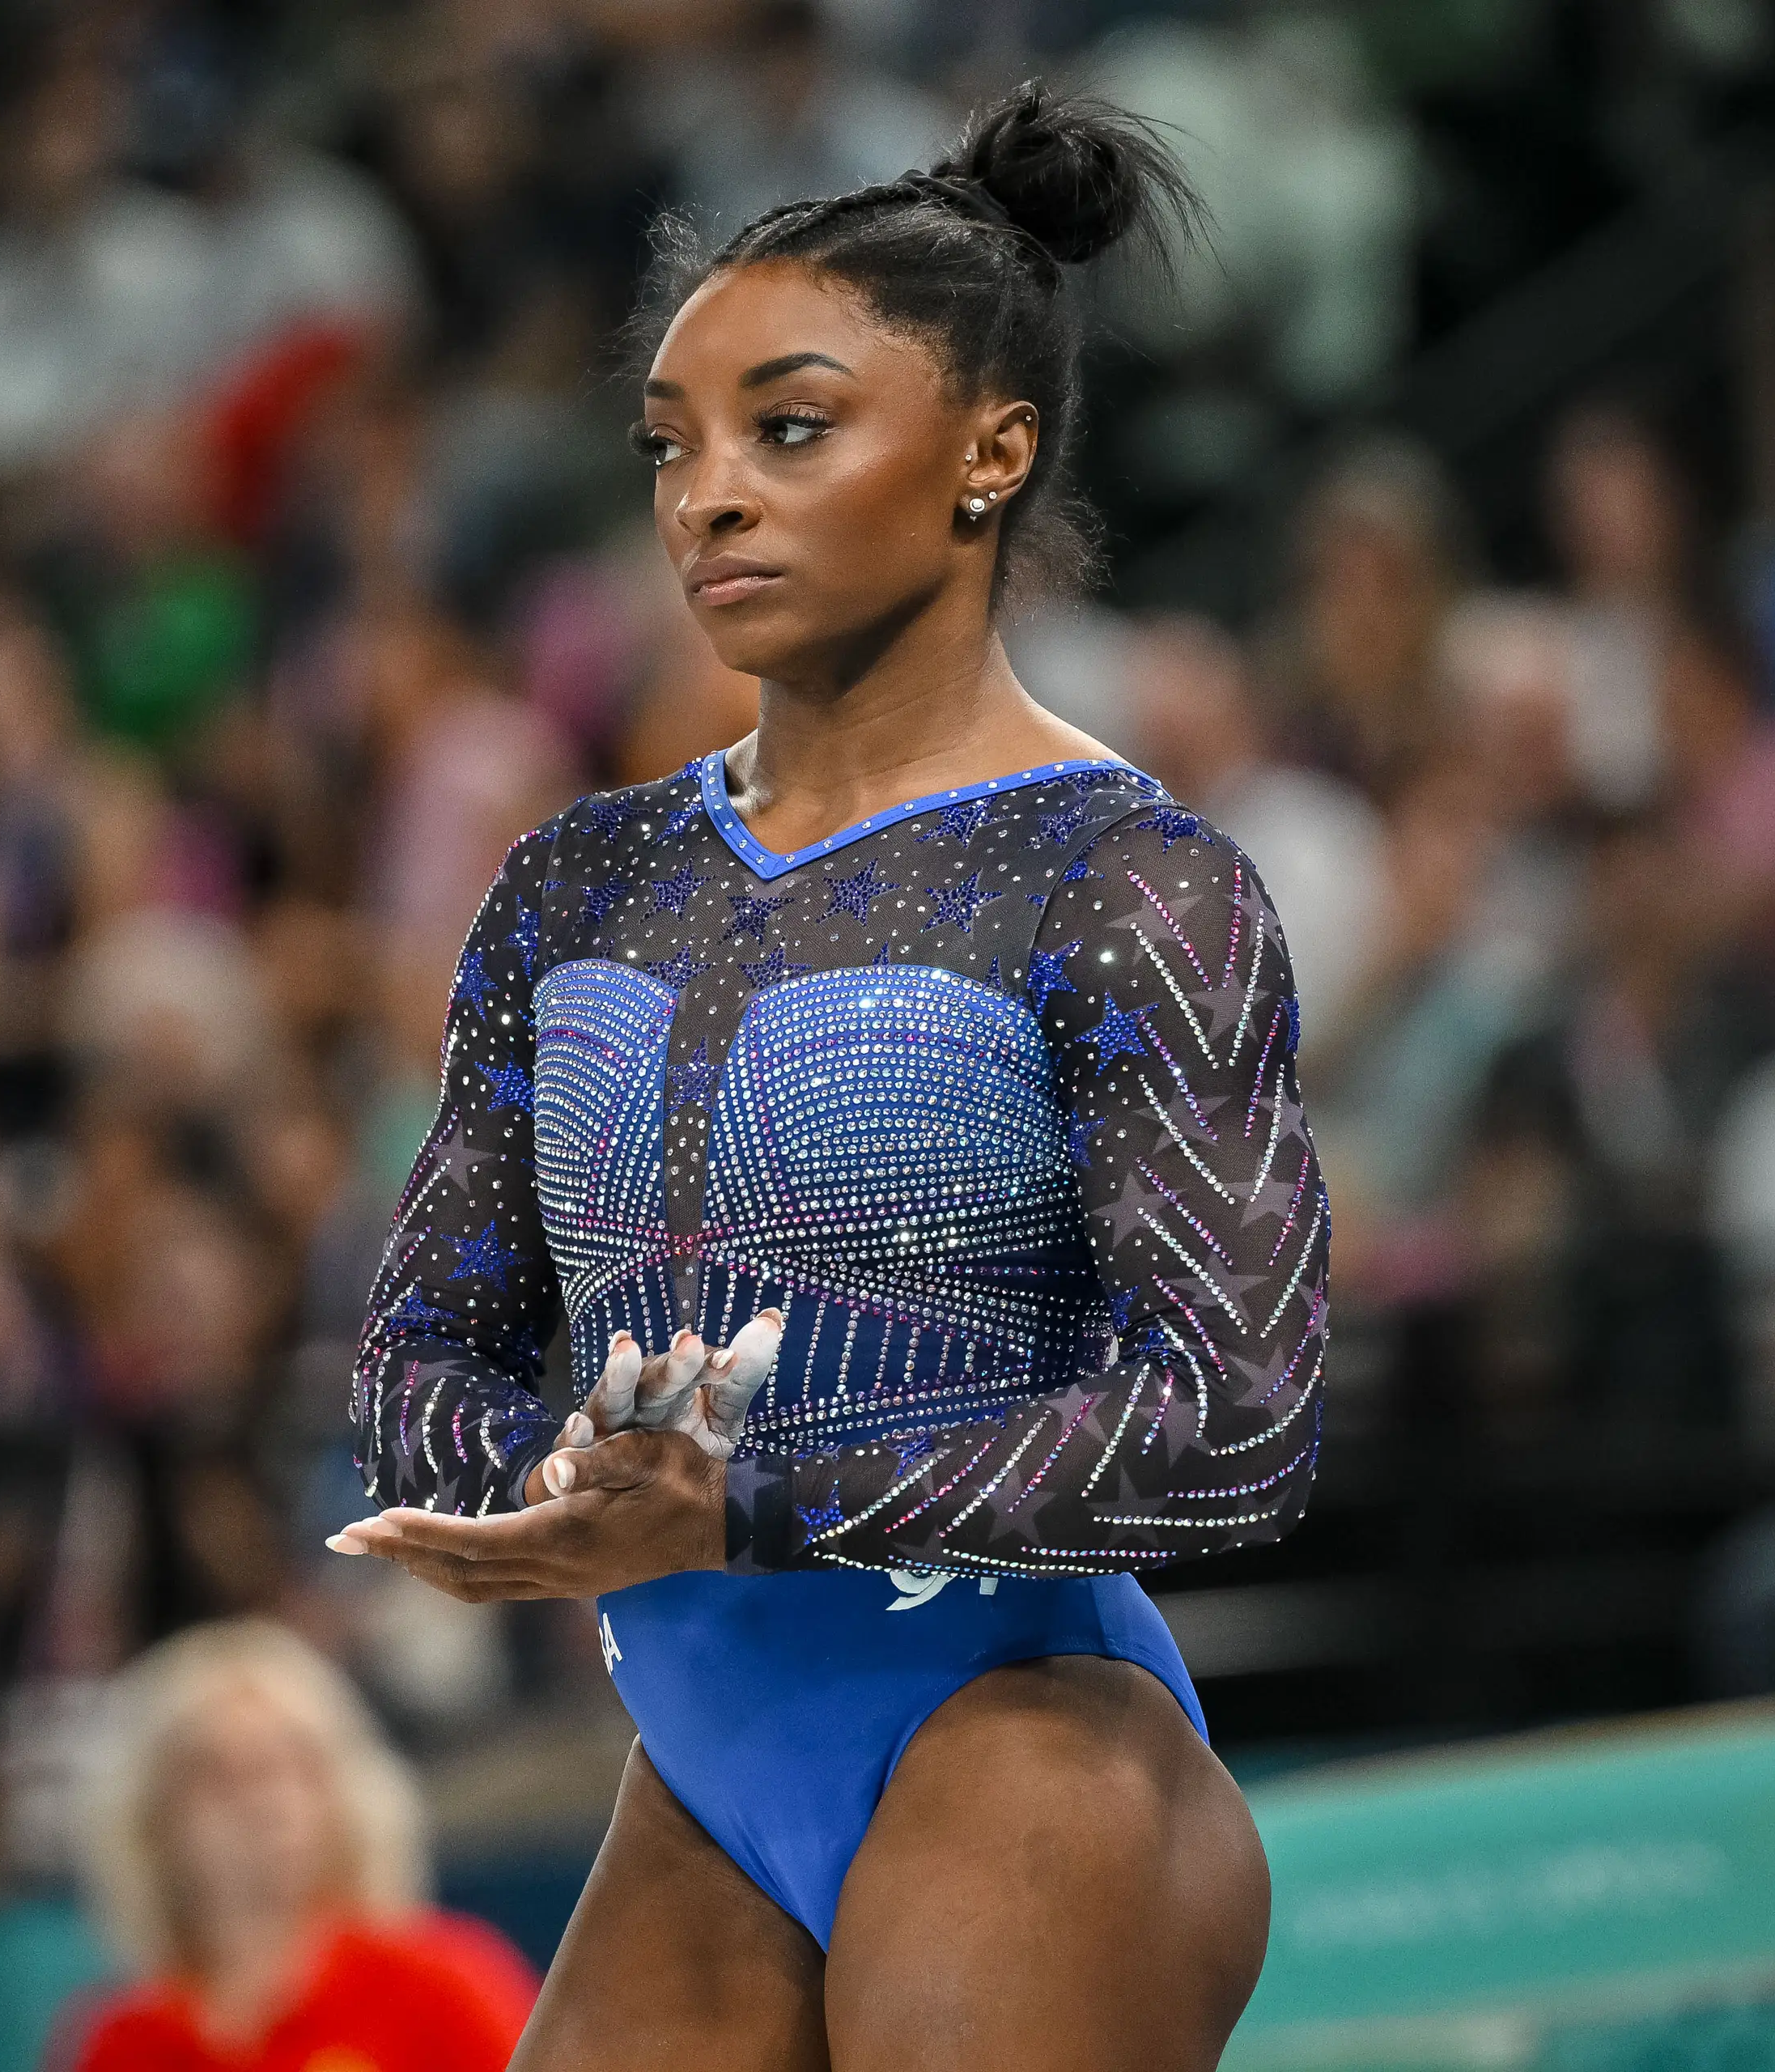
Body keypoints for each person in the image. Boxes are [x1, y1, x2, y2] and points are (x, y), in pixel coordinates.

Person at [330, 87, 1323, 2070]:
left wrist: (748, 1496)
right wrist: (537, 1490)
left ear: (989, 451)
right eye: (670, 444)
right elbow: (414, 1357)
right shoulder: (577, 877)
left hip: (1024, 1739)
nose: (705, 493)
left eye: (787, 428)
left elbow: (1231, 1415)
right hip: (699, 1771)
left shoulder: (1127, 879)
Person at [59, 1619, 537, 2072]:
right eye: (219, 1774)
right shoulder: (123, 2041)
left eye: (293, 1767)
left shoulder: (444, 1986)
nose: (262, 1803)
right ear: (154, 1818)